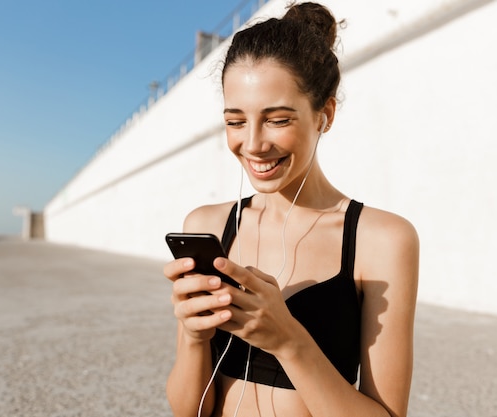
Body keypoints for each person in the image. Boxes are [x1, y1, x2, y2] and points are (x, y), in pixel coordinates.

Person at [163, 2, 419, 417]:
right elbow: (188, 410)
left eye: (277, 119)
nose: (253, 144)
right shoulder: (208, 224)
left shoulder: (381, 239)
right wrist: (193, 338)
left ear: (325, 115)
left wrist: (288, 340)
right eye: (235, 121)